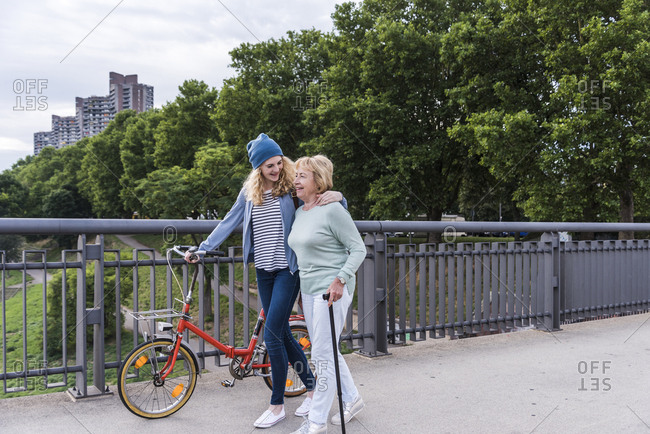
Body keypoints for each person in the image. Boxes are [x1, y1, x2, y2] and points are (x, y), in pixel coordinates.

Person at [185, 134, 345, 429]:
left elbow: (321, 194)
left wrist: (339, 197)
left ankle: (277, 405)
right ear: (258, 168)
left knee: (271, 334)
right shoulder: (250, 192)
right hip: (264, 271)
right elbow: (229, 221)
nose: (275, 169)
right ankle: (310, 388)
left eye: (278, 162)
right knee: (281, 332)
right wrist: (204, 248)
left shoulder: (292, 187)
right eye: (268, 165)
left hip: (288, 270)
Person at [288, 155, 366, 434]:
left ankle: (316, 422)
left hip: (332, 290)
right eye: (295, 175)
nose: (295, 180)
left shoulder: (332, 210)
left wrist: (340, 279)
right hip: (308, 290)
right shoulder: (299, 212)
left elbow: (359, 249)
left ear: (318, 181)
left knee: (321, 356)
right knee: (327, 350)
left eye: (302, 176)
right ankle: (353, 398)